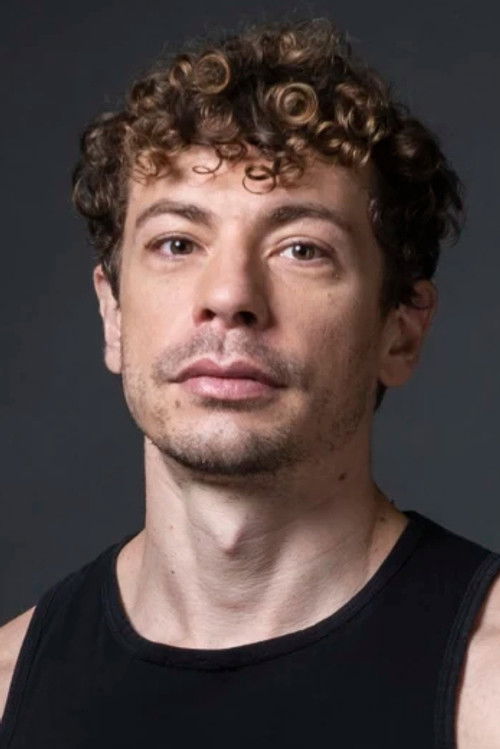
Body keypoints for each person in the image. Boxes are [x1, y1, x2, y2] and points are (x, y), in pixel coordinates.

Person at [0, 17, 498, 749]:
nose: (229, 295)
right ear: (113, 314)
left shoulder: (489, 691)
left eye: (302, 249)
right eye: (177, 242)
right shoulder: (9, 691)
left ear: (400, 331)